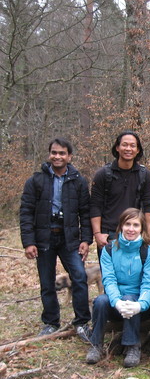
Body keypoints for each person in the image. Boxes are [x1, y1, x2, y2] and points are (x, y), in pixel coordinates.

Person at [20, 138, 92, 339]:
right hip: (44, 238)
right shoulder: (36, 181)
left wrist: (86, 240)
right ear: (49, 154)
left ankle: (81, 322)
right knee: (47, 281)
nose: (57, 156)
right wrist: (29, 242)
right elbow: (26, 212)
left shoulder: (78, 181)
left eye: (62, 153)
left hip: (70, 239)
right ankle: (51, 322)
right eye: (54, 152)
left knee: (79, 277)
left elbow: (85, 213)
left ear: (69, 157)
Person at [86, 208, 150, 368]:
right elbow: (109, 280)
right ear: (121, 226)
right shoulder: (109, 249)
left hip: (139, 305)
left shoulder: (148, 251)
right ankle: (96, 345)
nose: (131, 229)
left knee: (130, 298)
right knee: (100, 301)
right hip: (115, 303)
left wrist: (141, 304)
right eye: (127, 224)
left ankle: (133, 346)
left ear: (141, 228)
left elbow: (148, 283)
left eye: (136, 225)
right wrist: (116, 301)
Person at [90, 131, 150, 259]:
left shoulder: (145, 175)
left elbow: (148, 206)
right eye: (124, 145)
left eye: (132, 145)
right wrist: (97, 234)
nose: (128, 149)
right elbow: (95, 206)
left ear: (138, 150)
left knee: (135, 271)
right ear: (117, 148)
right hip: (108, 235)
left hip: (135, 232)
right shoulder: (103, 174)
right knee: (109, 271)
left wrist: (148, 234)